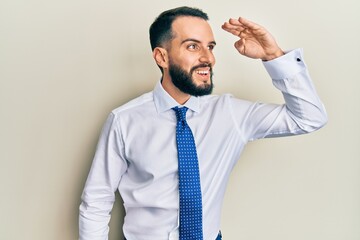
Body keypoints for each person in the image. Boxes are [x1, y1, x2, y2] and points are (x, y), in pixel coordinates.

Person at [79, 6, 327, 240]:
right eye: (192, 47)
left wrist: (274, 56)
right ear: (161, 57)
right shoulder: (125, 120)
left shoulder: (230, 114)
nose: (208, 58)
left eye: (210, 47)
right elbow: (96, 201)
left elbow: (309, 118)